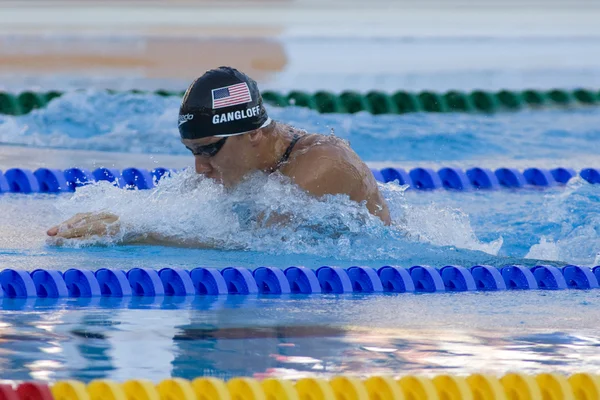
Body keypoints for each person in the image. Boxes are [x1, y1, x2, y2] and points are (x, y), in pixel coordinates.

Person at [47, 66, 391, 243]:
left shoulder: (321, 164)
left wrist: (133, 232)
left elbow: (255, 246)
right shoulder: (239, 162)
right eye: (193, 152)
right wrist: (114, 218)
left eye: (209, 149)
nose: (200, 168)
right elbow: (179, 215)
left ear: (253, 133)